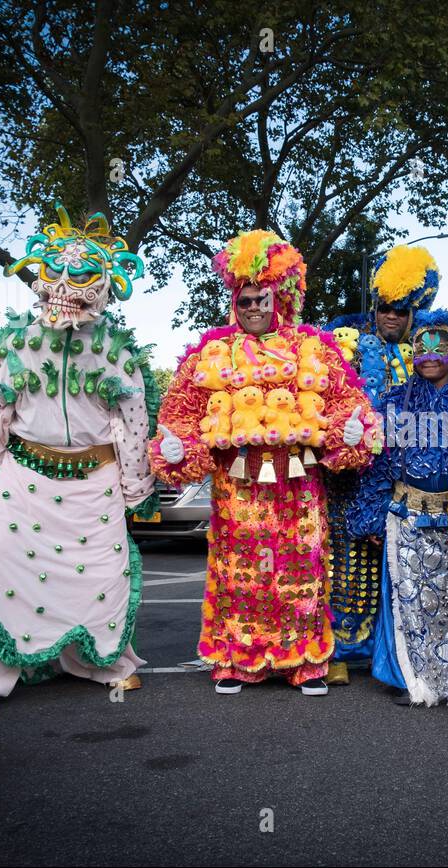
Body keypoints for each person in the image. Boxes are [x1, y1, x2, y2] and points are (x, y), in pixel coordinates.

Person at [0, 203, 157, 717]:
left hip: (94, 483)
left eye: (80, 276)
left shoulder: (117, 352)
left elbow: (133, 425)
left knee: (104, 574)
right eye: (55, 271)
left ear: (104, 286)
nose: (65, 284)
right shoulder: (13, 341)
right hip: (22, 481)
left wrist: (134, 487)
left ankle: (104, 662)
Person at [150, 230, 378, 695]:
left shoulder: (314, 349)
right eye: (245, 299)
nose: (253, 307)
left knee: (303, 569)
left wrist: (350, 432)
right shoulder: (210, 353)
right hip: (238, 487)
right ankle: (238, 661)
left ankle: (306, 662)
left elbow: (348, 405)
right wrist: (178, 448)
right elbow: (180, 416)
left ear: (282, 297)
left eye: (262, 298)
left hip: (299, 485)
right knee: (240, 573)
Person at [345, 311, 448, 705]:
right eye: (422, 346)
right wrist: (370, 513)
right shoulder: (395, 400)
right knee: (410, 601)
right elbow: (379, 462)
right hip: (407, 517)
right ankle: (416, 681)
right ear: (413, 353)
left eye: (440, 346)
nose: (430, 354)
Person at [321, 244, 440, 684]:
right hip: (350, 476)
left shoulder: (428, 351)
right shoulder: (345, 342)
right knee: (346, 560)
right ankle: (339, 646)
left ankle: (390, 650)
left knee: (395, 565)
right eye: (386, 307)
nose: (392, 316)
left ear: (415, 312)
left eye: (402, 309)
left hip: (403, 475)